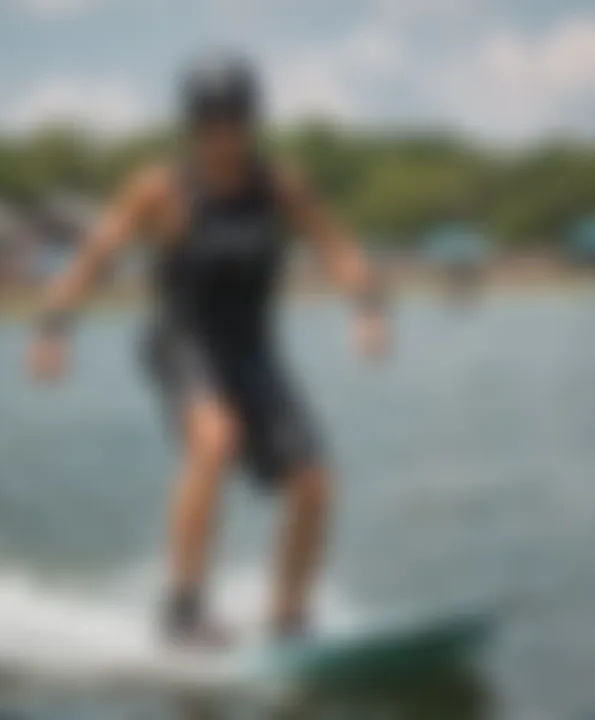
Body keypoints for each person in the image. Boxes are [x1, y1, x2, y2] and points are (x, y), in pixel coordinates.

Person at [27, 53, 388, 646]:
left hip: (251, 351)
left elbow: (337, 245)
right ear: (193, 126)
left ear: (251, 123)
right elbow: (95, 255)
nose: (224, 136)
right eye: (211, 123)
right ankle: (183, 609)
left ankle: (288, 618)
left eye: (235, 122)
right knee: (214, 439)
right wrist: (52, 330)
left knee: (313, 483)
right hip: (181, 341)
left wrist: (368, 309)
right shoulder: (161, 188)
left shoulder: (278, 185)